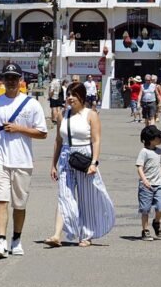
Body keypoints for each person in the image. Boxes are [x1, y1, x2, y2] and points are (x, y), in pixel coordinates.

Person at [0, 63, 49, 258]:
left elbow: (42, 133)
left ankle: (16, 239)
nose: (11, 81)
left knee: (19, 204)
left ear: (21, 81)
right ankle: (1, 240)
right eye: (7, 77)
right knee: (1, 201)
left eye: (14, 78)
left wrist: (20, 128)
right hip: (0, 160)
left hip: (23, 160)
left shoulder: (32, 104)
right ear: (2, 80)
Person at [48, 81, 115, 247]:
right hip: (65, 156)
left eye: (74, 95)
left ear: (82, 97)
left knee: (87, 197)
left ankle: (86, 235)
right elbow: (58, 140)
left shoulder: (91, 115)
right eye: (68, 94)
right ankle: (57, 235)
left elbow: (96, 140)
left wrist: (94, 162)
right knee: (64, 194)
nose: (70, 98)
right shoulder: (62, 114)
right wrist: (53, 164)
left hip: (84, 156)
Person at [136, 125, 161, 241]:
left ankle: (156, 222)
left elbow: (159, 166)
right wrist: (144, 180)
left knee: (160, 206)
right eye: (158, 136)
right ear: (150, 139)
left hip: (158, 185)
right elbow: (139, 167)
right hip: (146, 186)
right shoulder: (144, 152)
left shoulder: (159, 151)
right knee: (145, 209)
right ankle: (145, 230)